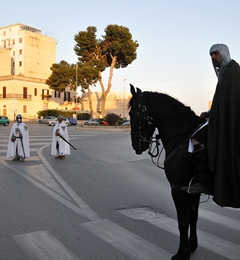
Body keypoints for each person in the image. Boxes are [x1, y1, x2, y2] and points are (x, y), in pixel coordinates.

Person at [182, 43, 240, 208]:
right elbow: (224, 104)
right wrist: (210, 113)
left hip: (230, 122)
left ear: (223, 53)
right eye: (211, 55)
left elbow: (229, 105)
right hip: (225, 118)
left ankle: (204, 181)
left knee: (196, 139)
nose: (213, 57)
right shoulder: (228, 72)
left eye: (215, 54)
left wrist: (211, 115)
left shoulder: (230, 74)